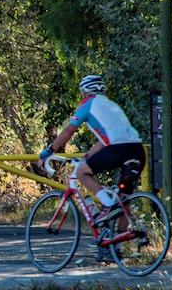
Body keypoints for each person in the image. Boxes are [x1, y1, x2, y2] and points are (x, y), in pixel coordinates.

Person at [38, 75, 145, 258]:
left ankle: (107, 204)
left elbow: (69, 130)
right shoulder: (112, 106)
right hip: (137, 151)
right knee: (123, 199)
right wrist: (86, 157)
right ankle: (115, 249)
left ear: (85, 91)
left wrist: (49, 150)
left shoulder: (88, 104)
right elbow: (104, 141)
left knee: (81, 172)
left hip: (117, 148)